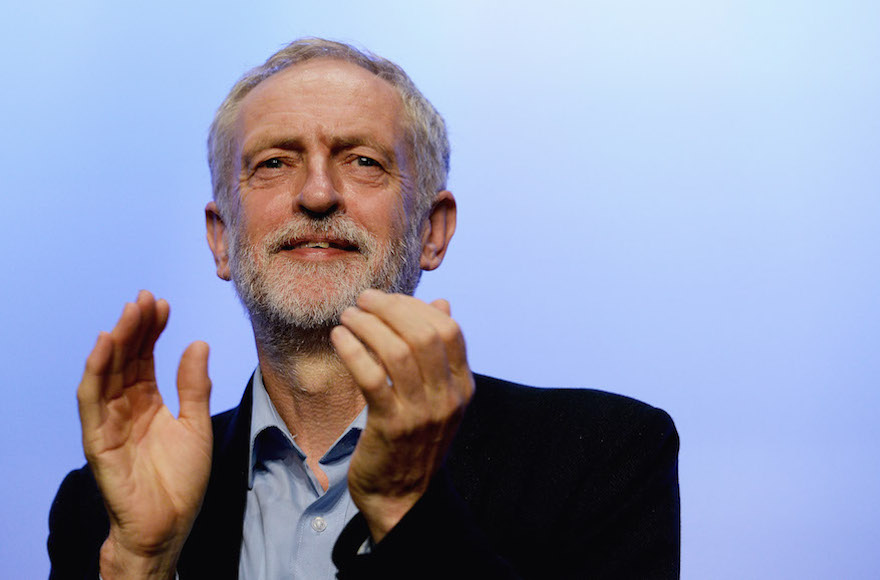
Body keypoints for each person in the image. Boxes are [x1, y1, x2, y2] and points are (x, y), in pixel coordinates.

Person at [48, 38, 680, 579]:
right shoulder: (102, 510)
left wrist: (406, 505)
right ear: (222, 239)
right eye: (273, 163)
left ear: (433, 230)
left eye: (363, 162)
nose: (318, 194)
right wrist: (142, 562)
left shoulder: (603, 457)